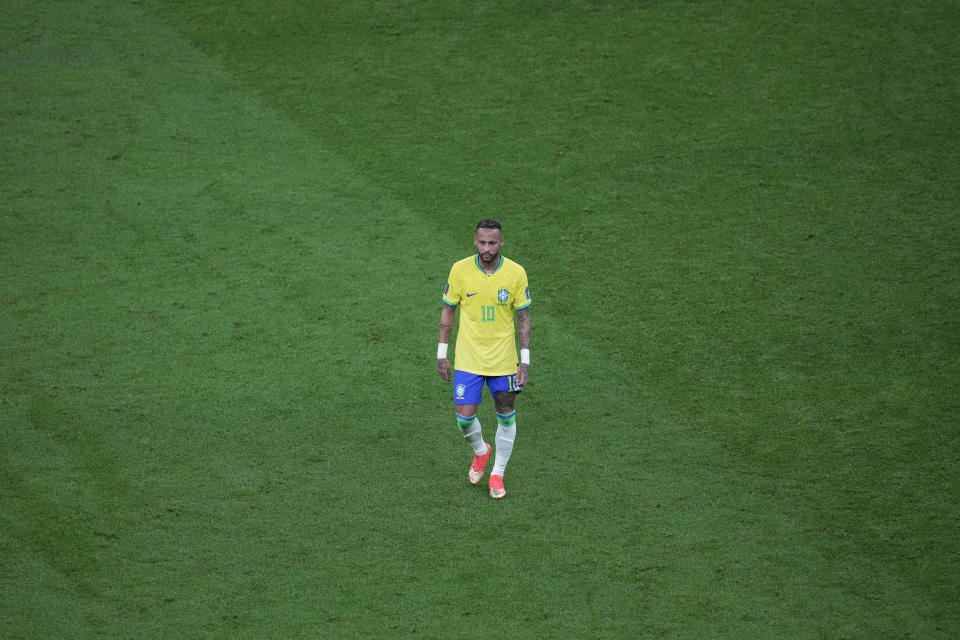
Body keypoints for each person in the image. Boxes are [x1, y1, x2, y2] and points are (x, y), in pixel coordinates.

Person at [437, 218, 532, 499]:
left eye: (492, 242)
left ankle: (498, 474)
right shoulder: (460, 270)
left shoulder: (516, 273)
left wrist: (524, 362)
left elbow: (524, 318)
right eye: (482, 242)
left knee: (505, 412)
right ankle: (481, 450)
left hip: (504, 361)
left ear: (502, 242)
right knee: (464, 419)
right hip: (468, 358)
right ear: (475, 241)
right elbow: (447, 311)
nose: (487, 248)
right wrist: (442, 355)